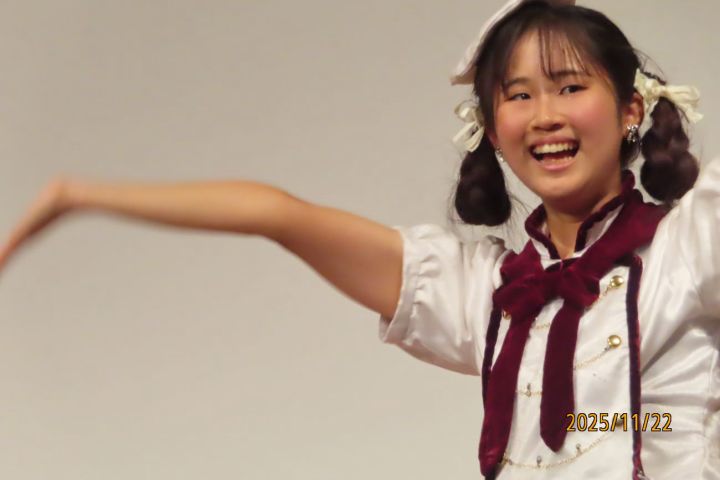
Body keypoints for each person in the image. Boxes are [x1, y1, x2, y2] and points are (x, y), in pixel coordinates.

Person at [0, 0, 717, 478]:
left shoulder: (688, 247)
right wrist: (83, 196)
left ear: (631, 108)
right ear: (492, 130)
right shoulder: (484, 293)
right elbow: (276, 215)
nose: (544, 115)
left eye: (570, 87)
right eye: (518, 94)